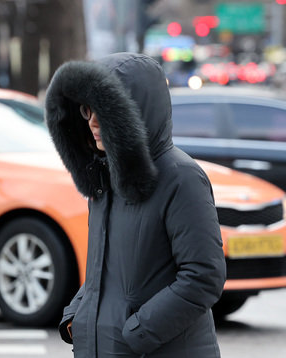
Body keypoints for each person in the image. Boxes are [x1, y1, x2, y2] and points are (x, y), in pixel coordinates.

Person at [45, 53, 226, 357]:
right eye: (87, 109)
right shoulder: (104, 178)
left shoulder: (181, 178)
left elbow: (203, 277)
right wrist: (79, 317)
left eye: (104, 109)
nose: (93, 121)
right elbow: (106, 272)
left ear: (135, 112)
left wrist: (135, 333)